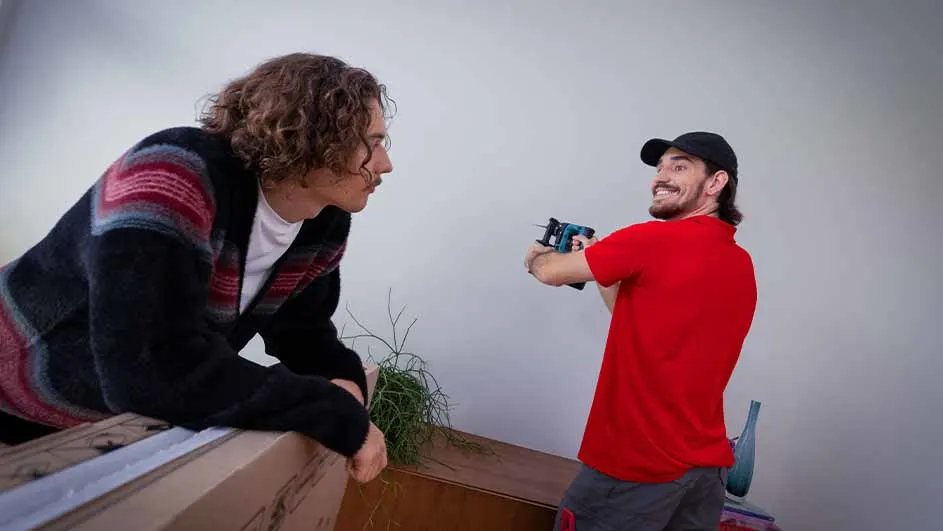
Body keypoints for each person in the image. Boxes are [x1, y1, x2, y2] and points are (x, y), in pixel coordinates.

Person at [0, 53, 391, 484]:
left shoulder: (324, 222)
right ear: (316, 136)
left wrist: (344, 381)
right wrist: (331, 410)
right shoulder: (173, 174)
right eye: (371, 144)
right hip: (14, 397)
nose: (385, 164)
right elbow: (150, 368)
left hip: (93, 434)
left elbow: (304, 333)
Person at [525, 132, 757, 530]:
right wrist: (603, 266)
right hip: (704, 472)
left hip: (635, 467)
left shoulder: (650, 239)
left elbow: (550, 273)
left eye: (679, 166)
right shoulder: (741, 264)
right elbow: (636, 318)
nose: (660, 177)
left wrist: (536, 255)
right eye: (660, 167)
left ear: (716, 183)